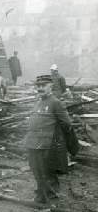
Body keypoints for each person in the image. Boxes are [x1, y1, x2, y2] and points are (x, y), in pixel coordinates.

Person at [24, 75, 73, 204]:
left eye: (43, 85)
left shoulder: (55, 103)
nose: (40, 88)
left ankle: (52, 200)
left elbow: (67, 124)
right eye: (38, 86)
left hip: (47, 145)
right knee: (36, 171)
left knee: (48, 173)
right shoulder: (38, 102)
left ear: (50, 86)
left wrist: (60, 143)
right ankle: (40, 196)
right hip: (33, 143)